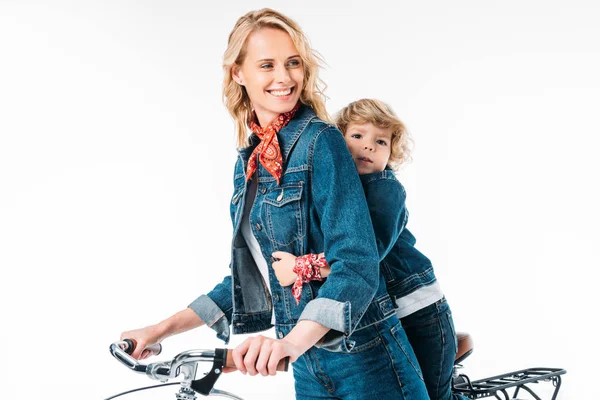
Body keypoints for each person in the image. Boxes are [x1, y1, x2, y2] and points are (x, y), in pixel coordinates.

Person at [120, 9, 428, 400]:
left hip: (367, 356)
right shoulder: (248, 162)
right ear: (238, 72)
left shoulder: (321, 141)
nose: (284, 78)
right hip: (306, 365)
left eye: (293, 63)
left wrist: (289, 344)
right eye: (267, 65)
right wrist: (159, 330)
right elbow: (255, 277)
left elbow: (355, 260)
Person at [272, 98, 467, 400]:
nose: (369, 146)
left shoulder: (384, 189)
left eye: (381, 141)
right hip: (380, 316)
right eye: (357, 136)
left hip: (417, 310)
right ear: (338, 142)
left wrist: (299, 267)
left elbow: (363, 259)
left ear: (392, 153)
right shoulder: (335, 189)